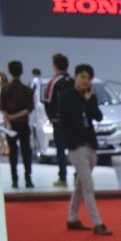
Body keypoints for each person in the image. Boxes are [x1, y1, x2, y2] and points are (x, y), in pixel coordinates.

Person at [59, 63, 111, 236]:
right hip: (77, 147)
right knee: (88, 184)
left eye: (88, 78)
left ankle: (72, 218)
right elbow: (65, 123)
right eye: (82, 77)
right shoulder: (66, 96)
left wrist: (89, 101)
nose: (85, 81)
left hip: (91, 146)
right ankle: (98, 222)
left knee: (80, 185)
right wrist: (72, 144)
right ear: (75, 77)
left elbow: (98, 116)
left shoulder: (89, 97)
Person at [0, 60, 34, 189]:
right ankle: (28, 179)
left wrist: (9, 120)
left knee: (13, 153)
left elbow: (3, 109)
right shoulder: (27, 90)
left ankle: (14, 179)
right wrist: (16, 116)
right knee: (26, 152)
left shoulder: (5, 89)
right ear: (21, 71)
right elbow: (28, 109)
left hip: (11, 126)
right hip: (23, 124)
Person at [43, 54, 74, 188]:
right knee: (75, 148)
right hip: (74, 121)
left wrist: (52, 118)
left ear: (55, 66)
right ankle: (78, 175)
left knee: (60, 150)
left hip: (59, 121)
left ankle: (62, 177)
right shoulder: (73, 81)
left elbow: (47, 101)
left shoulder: (53, 82)